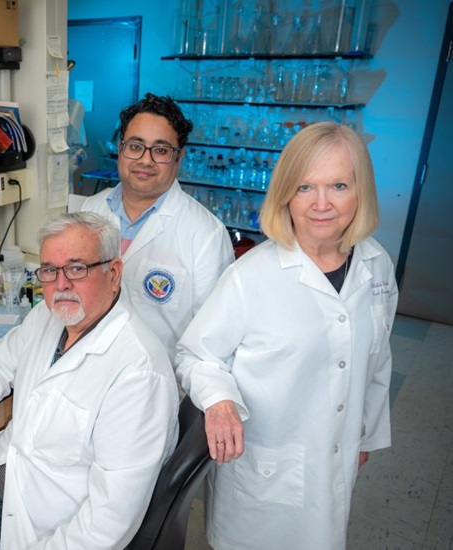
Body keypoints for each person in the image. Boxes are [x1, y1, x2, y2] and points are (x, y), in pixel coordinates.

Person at [175, 122, 398, 549]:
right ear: (285, 196)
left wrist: (365, 434)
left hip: (335, 457)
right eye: (304, 188)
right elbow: (196, 355)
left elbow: (377, 358)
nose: (321, 204)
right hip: (262, 473)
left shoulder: (377, 266)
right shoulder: (250, 275)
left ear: (361, 191)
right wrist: (219, 401)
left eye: (338, 185)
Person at [0, 212, 180, 549]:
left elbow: (109, 522)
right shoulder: (49, 317)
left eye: (77, 268)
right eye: (49, 270)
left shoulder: (138, 373)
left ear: (114, 273)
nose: (61, 285)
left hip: (48, 530)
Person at [81, 93, 234, 357]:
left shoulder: (206, 233)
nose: (145, 160)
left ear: (179, 157)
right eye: (135, 146)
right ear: (120, 149)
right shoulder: (89, 210)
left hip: (159, 384)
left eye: (161, 150)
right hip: (90, 370)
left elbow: (214, 341)